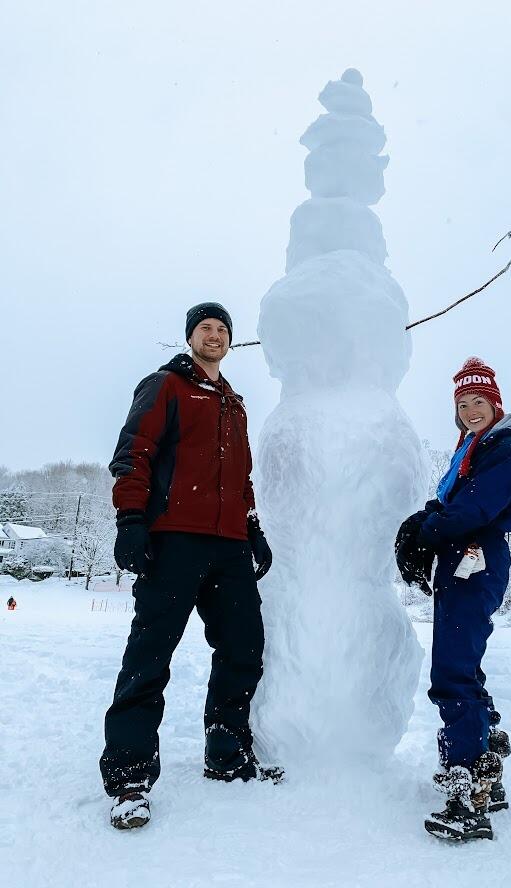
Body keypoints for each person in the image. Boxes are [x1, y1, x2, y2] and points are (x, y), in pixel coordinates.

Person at [100, 302, 280, 831]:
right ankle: (130, 778)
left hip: (228, 545)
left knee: (244, 647)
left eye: (223, 329)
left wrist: (252, 528)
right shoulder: (165, 387)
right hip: (174, 539)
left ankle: (226, 752)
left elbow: (241, 475)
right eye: (207, 327)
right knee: (150, 654)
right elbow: (134, 452)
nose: (216, 335)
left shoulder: (235, 404)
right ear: (191, 337)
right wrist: (131, 519)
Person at [396, 357, 511, 842]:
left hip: (477, 557)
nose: (471, 410)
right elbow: (451, 500)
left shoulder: (503, 449)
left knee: (452, 671)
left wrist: (428, 530)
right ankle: (486, 763)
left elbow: (475, 508)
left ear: (496, 404)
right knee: (464, 664)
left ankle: (468, 788)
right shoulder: (472, 448)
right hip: (461, 560)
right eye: (463, 404)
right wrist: (422, 520)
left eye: (479, 402)